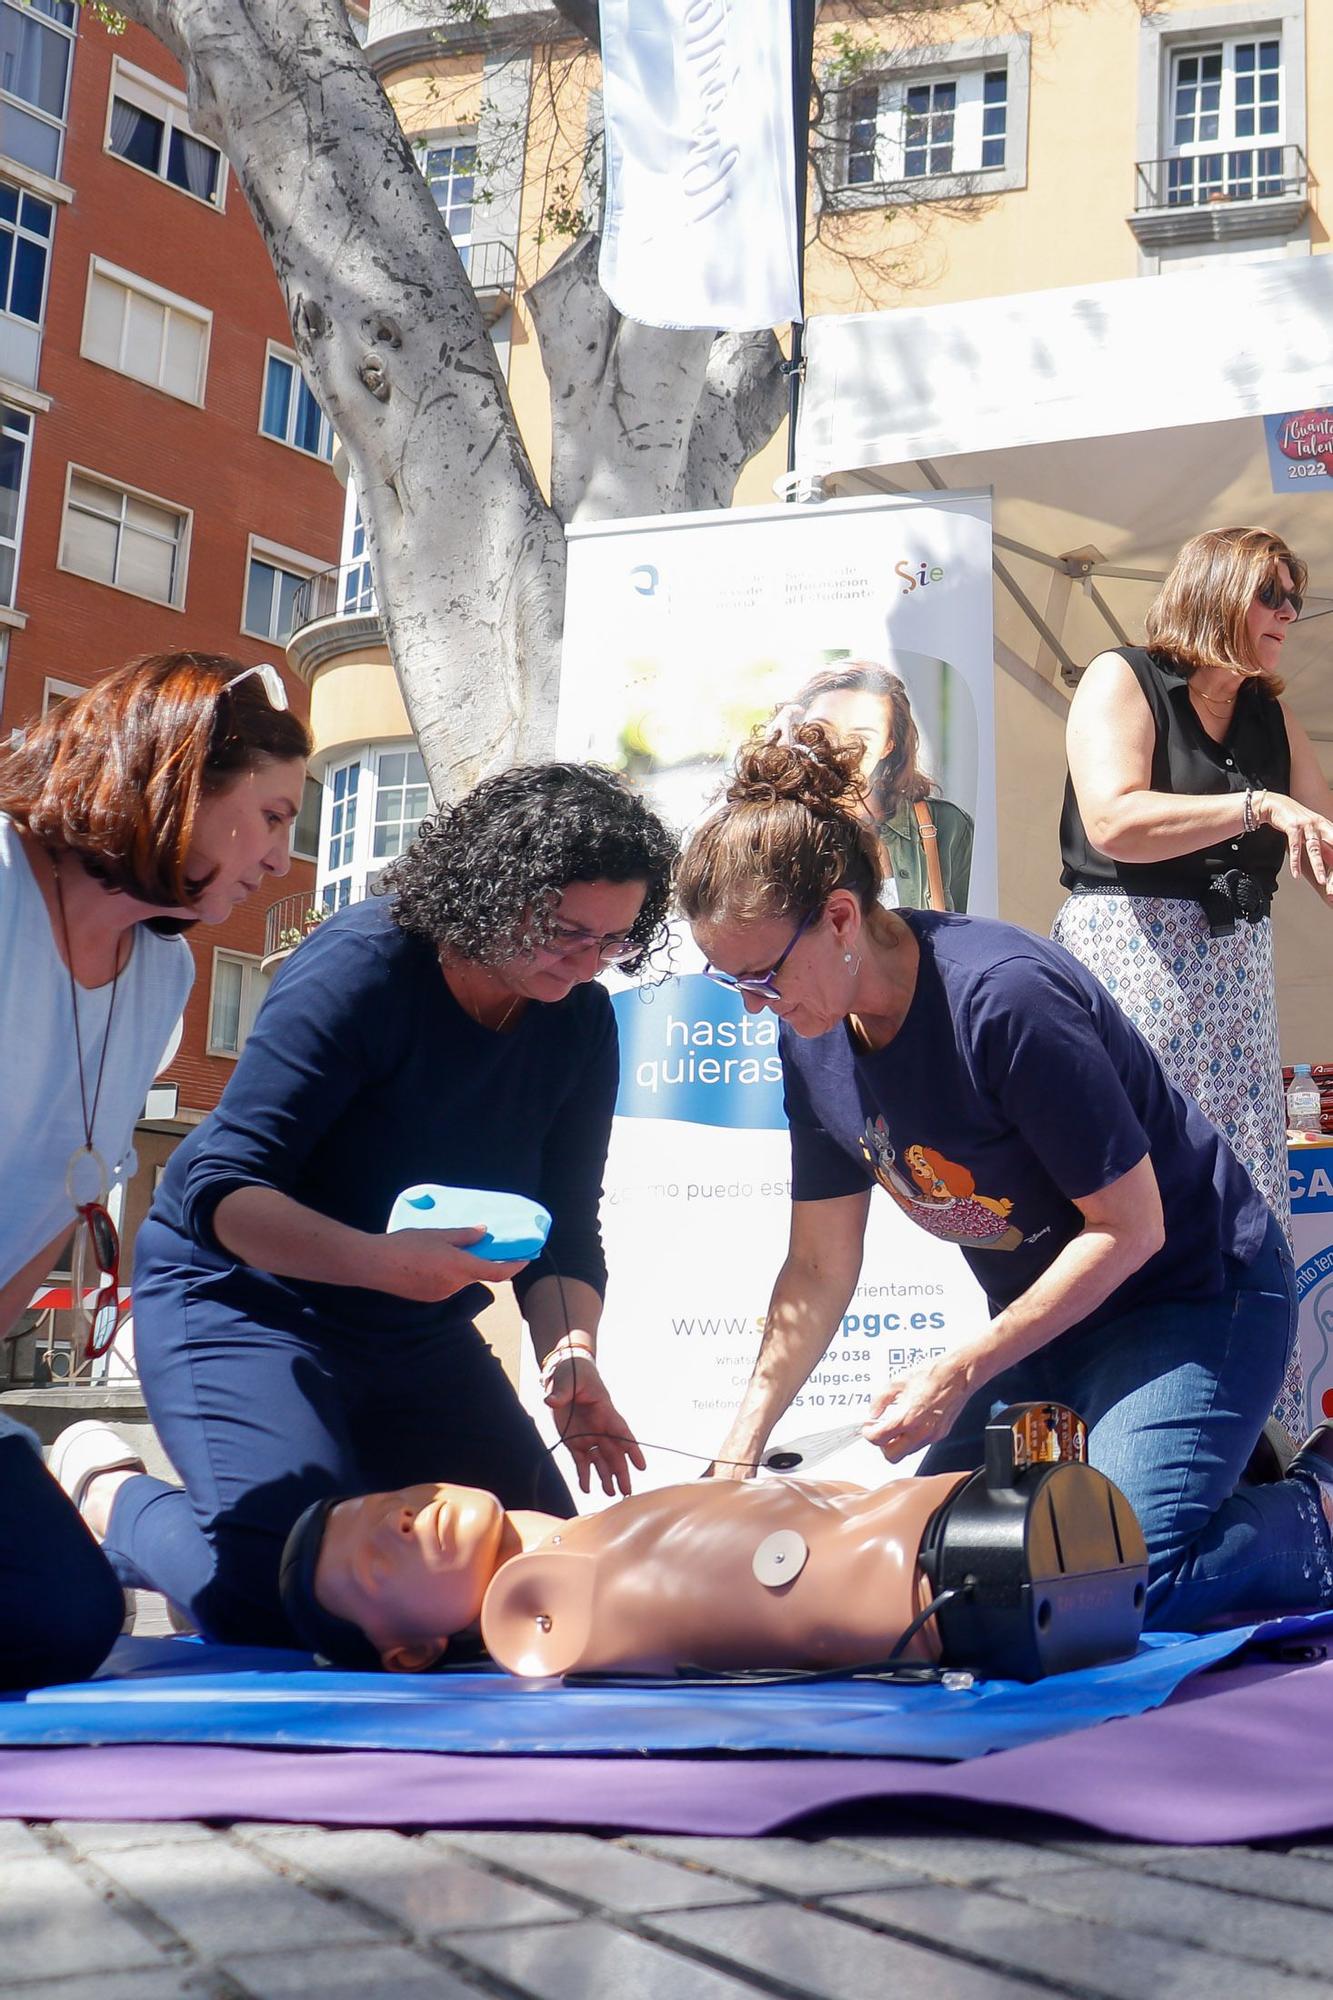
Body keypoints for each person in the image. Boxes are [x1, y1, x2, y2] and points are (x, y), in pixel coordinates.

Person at [671, 723, 1333, 1633]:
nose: (752, 1003)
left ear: (836, 917)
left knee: (1121, 1578)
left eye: (761, 975)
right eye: (728, 981)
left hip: (1190, 1297)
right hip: (1051, 1329)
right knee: (938, 1574)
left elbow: (1130, 1231)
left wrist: (962, 1369)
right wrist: (740, 1447)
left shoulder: (1004, 998)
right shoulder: (809, 1033)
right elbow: (819, 1267)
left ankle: (1314, 1509)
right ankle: (1212, 1461)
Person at [54, 763, 677, 1650]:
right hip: (242, 1299)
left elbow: (566, 1227)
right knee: (287, 1599)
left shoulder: (579, 1021)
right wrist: (384, 1264)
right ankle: (110, 1495)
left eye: (611, 942)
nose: (584, 964)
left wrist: (571, 1361)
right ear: (489, 886)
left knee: (544, 1590)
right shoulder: (366, 964)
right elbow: (219, 1192)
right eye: (565, 932)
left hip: (410, 1327)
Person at [0, 651, 309, 1689]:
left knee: (62, 1619)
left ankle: (89, 1486)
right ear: (178, 778)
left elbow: (67, 1189)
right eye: (269, 816)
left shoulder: (163, 974)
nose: (281, 857)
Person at [1053, 527, 1333, 1440]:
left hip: (1233, 968)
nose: (1288, 613)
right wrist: (1254, 804)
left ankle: (1248, 1431)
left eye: (1294, 596)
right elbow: (1112, 820)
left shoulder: (1265, 712)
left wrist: (1297, 821)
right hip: (1131, 949)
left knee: (1242, 1183)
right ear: (1217, 591)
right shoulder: (1122, 677)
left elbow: (1320, 831)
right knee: (1138, 1177)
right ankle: (1128, 1409)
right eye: (1271, 594)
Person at [274, 1467, 985, 1675]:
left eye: (393, 1496)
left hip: (954, 1512)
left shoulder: (580, 1541)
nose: (401, 1519)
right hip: (944, 1580)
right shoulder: (565, 1611)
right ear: (412, 1652)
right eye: (376, 1561)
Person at [784, 662, 973, 912]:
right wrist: (774, 748)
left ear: (888, 745)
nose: (840, 747)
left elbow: (973, 937)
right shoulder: (774, 823)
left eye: (861, 737)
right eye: (822, 730)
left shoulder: (947, 826)